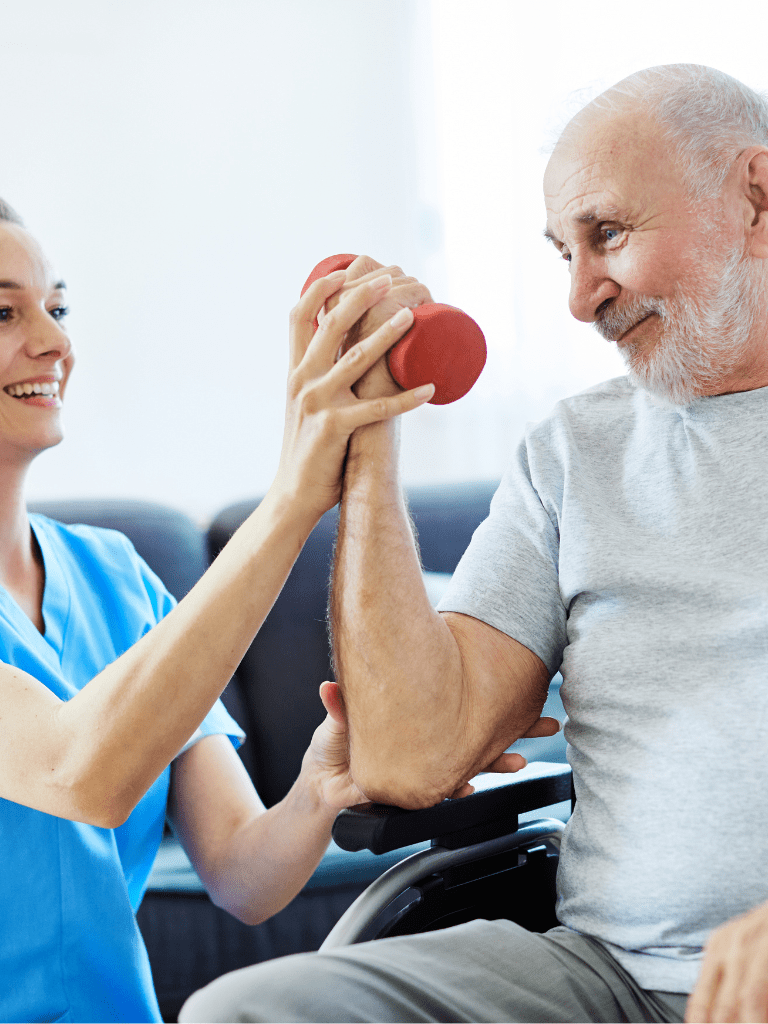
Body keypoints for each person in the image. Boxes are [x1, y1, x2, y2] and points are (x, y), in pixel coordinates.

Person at [179, 63, 768, 1024]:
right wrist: (374, 433)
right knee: (247, 1013)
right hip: (605, 977)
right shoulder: (575, 453)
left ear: (756, 196)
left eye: (608, 234)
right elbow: (412, 753)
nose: (582, 299)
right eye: (561, 253)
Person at [0, 197, 461, 1024]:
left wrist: (324, 783)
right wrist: (293, 497)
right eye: (4, 312)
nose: (56, 342)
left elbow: (245, 876)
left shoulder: (113, 576)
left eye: (58, 307)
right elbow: (82, 776)